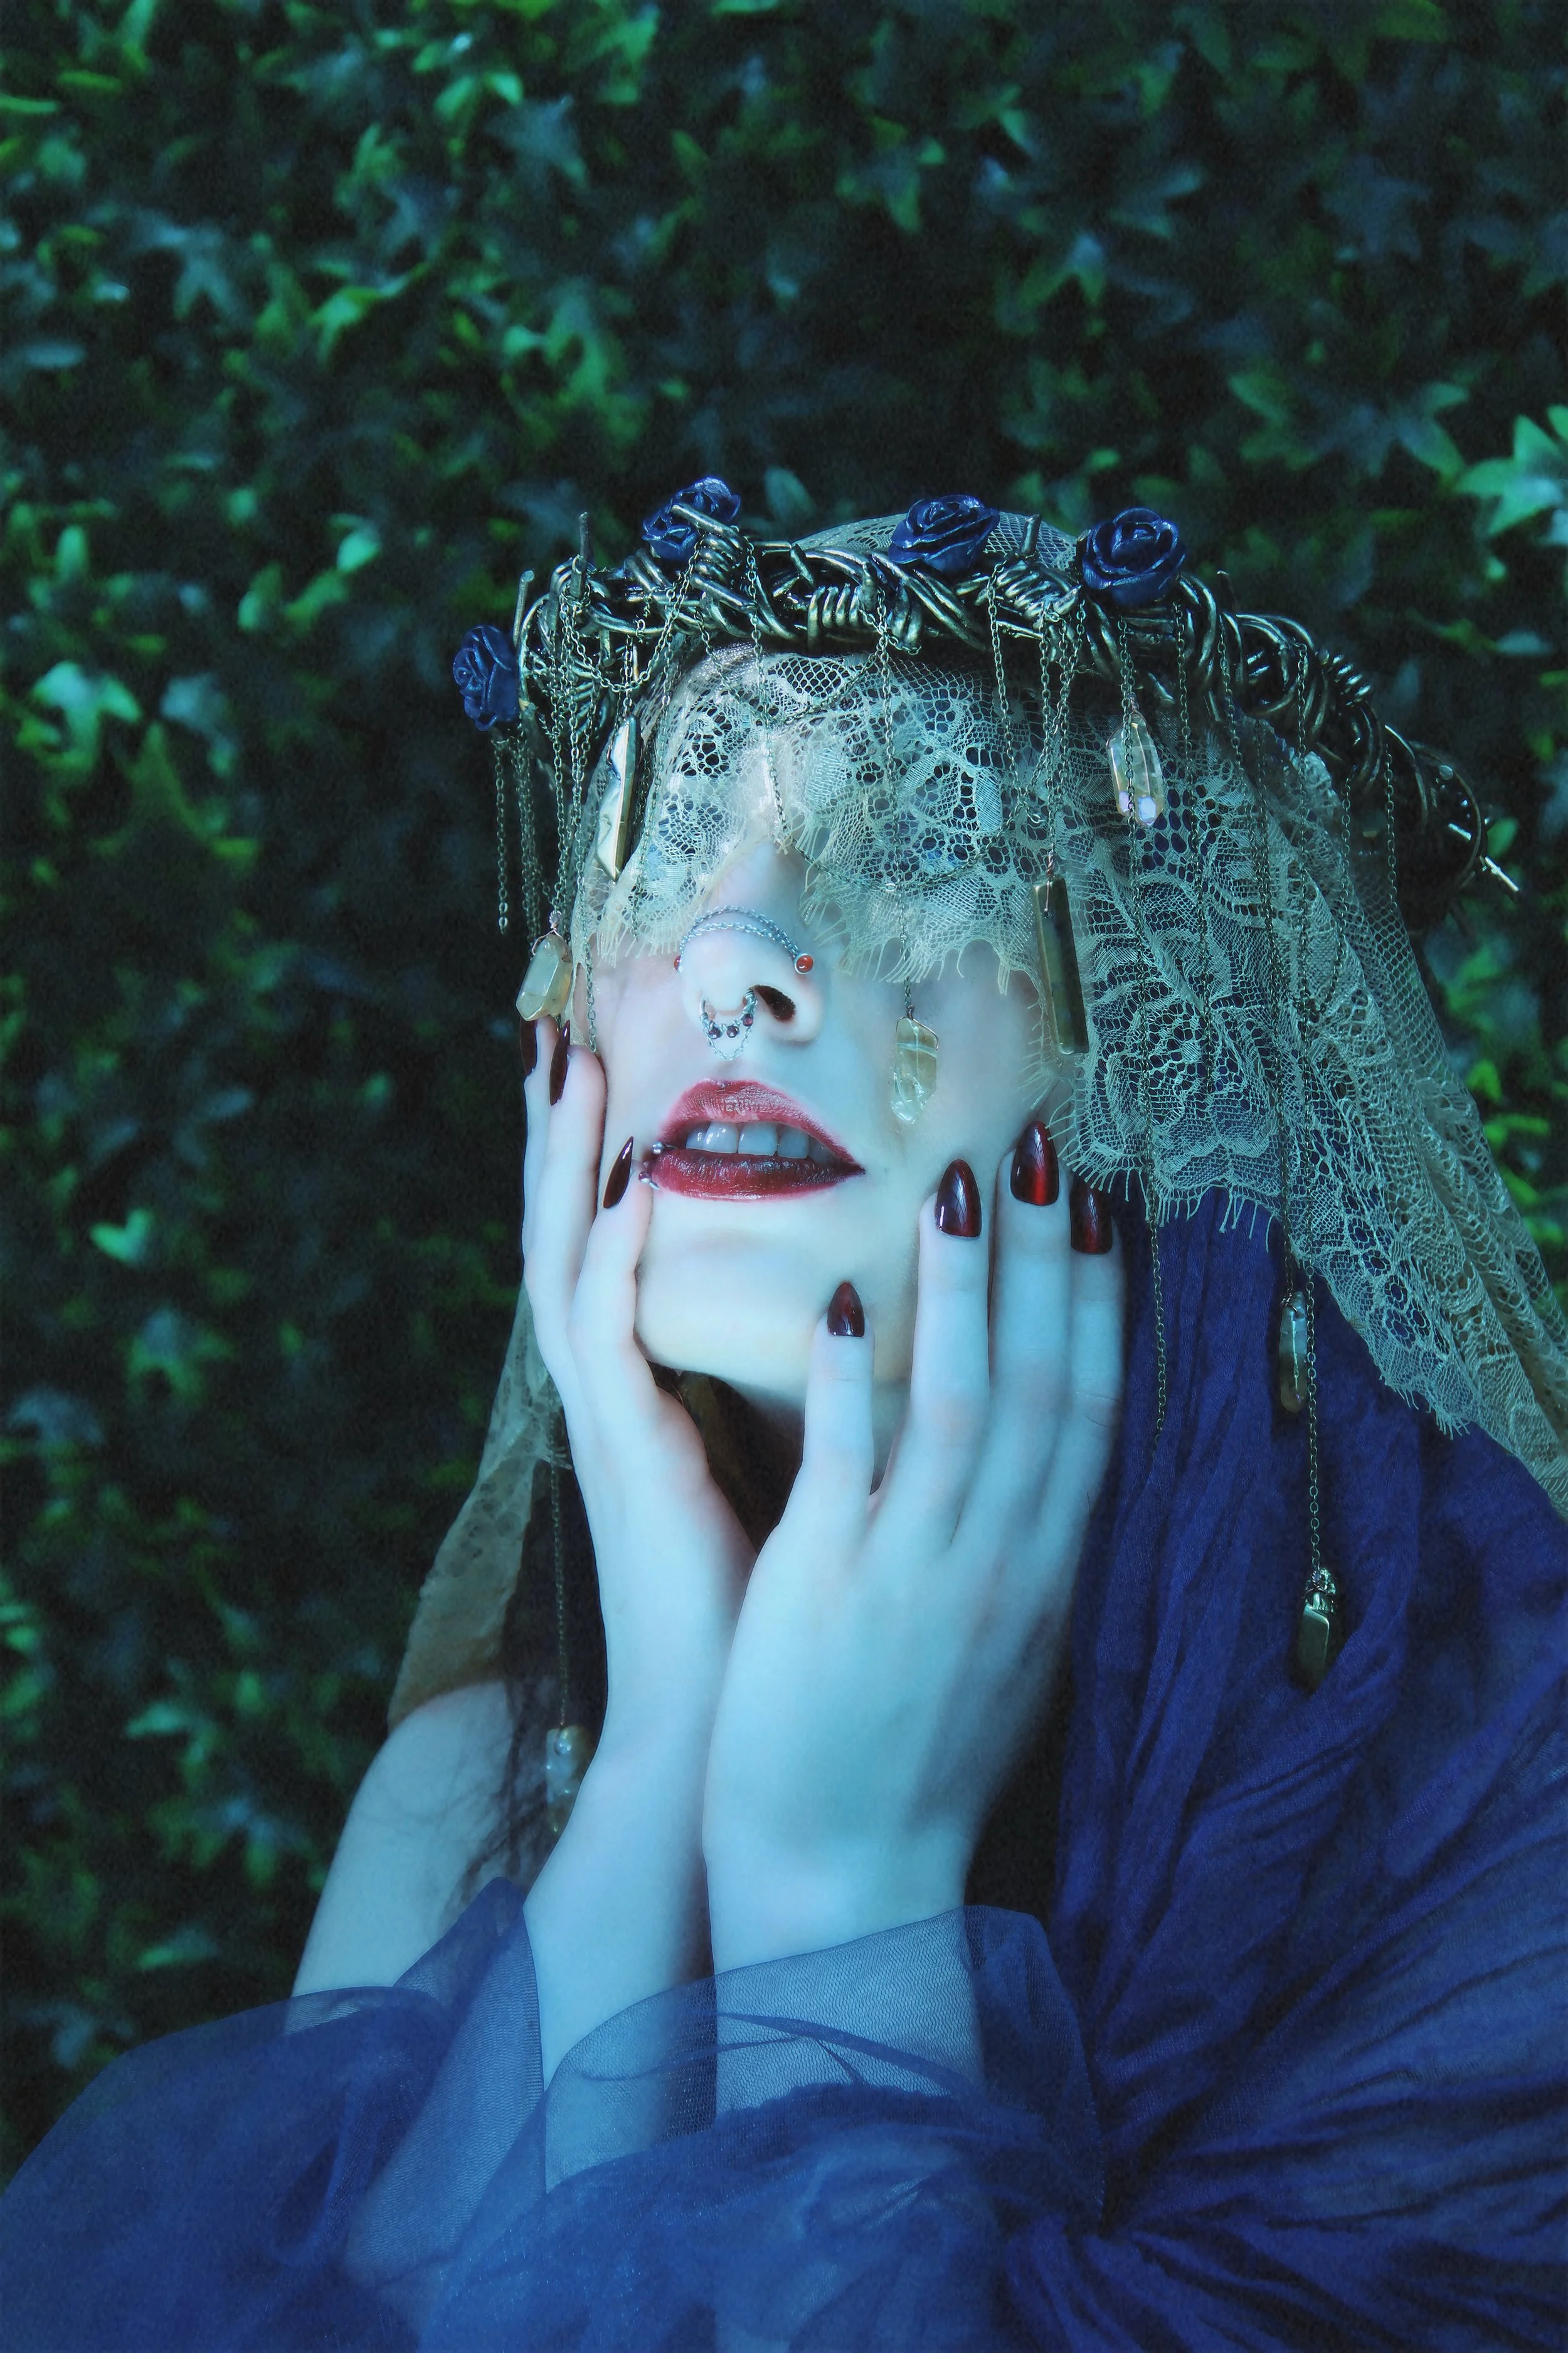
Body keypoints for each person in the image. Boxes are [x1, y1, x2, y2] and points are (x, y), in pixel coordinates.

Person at [2, 491, 1564, 2350]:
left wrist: (841, 1885)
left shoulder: (1496, 1830)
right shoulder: (472, 1798)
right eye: (661, 852)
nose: (736, 949)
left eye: (918, 839)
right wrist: (662, 1752)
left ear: (1167, 1031)